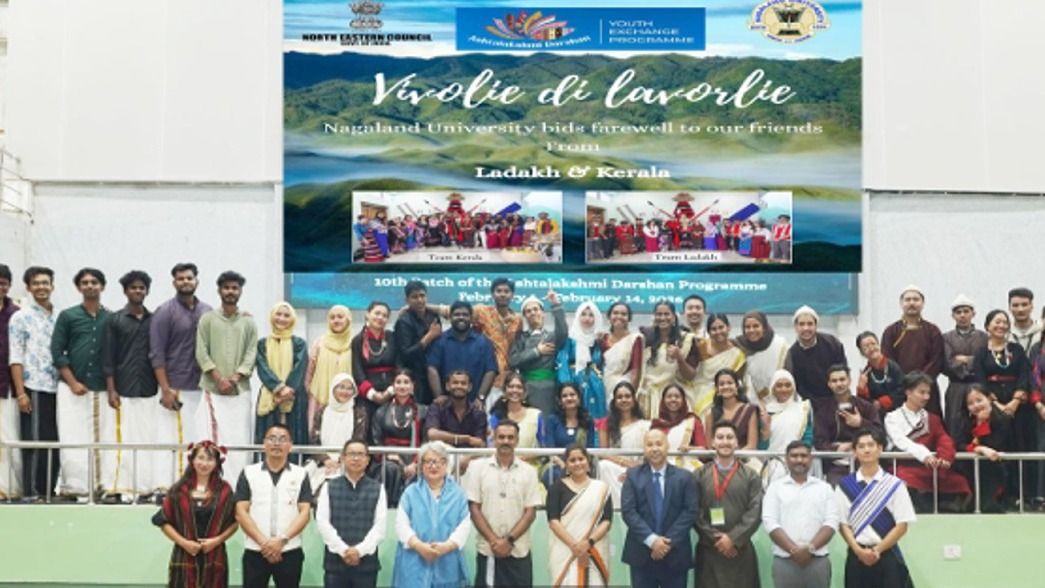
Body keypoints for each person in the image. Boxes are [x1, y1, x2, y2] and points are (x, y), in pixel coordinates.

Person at [51, 267, 112, 499]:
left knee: (102, 438)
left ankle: (102, 486)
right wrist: (73, 382)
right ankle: (75, 487)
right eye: (85, 282)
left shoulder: (111, 317)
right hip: (71, 390)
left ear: (102, 286)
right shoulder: (68, 316)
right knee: (72, 437)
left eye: (94, 282)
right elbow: (57, 352)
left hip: (101, 389)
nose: (90, 286)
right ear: (78, 287)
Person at [150, 262, 212, 487]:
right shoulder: (165, 312)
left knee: (195, 440)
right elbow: (156, 353)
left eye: (189, 278)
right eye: (181, 278)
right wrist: (165, 389)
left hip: (201, 388)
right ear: (174, 282)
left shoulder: (207, 311)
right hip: (175, 387)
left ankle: (191, 485)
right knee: (170, 440)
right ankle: (167, 487)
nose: (185, 282)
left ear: (197, 281)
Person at [101, 270, 160, 499]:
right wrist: (111, 389)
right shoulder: (114, 320)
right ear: (125, 291)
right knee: (122, 440)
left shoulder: (154, 320)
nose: (138, 291)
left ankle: (143, 487)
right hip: (123, 390)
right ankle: (120, 487)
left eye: (141, 287)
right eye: (133, 287)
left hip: (149, 390)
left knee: (146, 441)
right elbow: (108, 357)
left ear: (147, 291)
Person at [195, 270, 257, 483]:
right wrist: (218, 378)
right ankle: (214, 485)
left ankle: (238, 486)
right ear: (219, 290)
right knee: (211, 441)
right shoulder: (207, 320)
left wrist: (235, 378)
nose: (230, 291)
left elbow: (251, 352)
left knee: (240, 439)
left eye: (235, 288)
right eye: (227, 288)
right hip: (213, 390)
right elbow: (201, 351)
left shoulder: (248, 322)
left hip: (240, 392)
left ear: (240, 292)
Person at [466, 420, 543, 588]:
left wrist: (509, 540)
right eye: (501, 437)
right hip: (488, 550)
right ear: (493, 439)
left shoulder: (529, 472)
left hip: (519, 551)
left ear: (517, 440)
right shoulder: (477, 468)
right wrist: (494, 541)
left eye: (510, 437)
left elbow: (530, 513)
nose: (505, 441)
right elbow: (474, 509)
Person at [836, 428, 916, 588]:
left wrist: (877, 550)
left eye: (871, 445)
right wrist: (858, 551)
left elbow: (902, 525)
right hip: (856, 556)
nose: (866, 450)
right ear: (854, 452)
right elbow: (843, 524)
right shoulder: (844, 486)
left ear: (880, 449)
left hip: (887, 555)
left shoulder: (895, 485)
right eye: (861, 446)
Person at [235, 423, 313, 588]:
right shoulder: (249, 472)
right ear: (264, 443)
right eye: (272, 438)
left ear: (290, 445)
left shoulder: (301, 474)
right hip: (255, 550)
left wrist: (282, 540)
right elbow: (241, 511)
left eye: (282, 439)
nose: (276, 443)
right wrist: (264, 543)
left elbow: (305, 512)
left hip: (289, 550)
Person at [153, 440, 238, 588]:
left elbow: (235, 522)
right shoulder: (178, 490)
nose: (204, 463)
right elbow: (163, 521)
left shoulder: (225, 490)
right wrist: (184, 543)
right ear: (192, 460)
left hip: (215, 556)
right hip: (184, 555)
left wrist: (216, 541)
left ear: (217, 463)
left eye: (210, 459)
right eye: (200, 458)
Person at [884, 371, 972, 512]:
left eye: (928, 393)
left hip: (929, 467)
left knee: (958, 482)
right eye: (922, 392)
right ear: (908, 392)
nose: (926, 397)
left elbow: (944, 439)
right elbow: (901, 441)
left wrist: (945, 457)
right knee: (902, 480)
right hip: (903, 465)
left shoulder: (933, 419)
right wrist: (925, 455)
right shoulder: (892, 418)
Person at [620, 428, 697, 588]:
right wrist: (652, 540)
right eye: (649, 445)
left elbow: (690, 512)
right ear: (644, 449)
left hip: (675, 554)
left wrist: (666, 544)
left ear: (667, 446)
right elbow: (629, 512)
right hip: (642, 554)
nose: (654, 448)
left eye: (659, 444)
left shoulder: (685, 477)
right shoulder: (633, 476)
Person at [974, 308, 1034, 504]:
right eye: (996, 322)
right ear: (987, 326)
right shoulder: (981, 352)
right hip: (992, 404)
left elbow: (1025, 374)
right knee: (998, 446)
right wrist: (996, 404)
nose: (1001, 326)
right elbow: (979, 379)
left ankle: (1021, 495)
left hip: (1017, 403)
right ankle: (999, 494)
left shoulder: (1016, 349)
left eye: (1004, 322)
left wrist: (1015, 401)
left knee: (1019, 445)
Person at [9, 266, 59, 501]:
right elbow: (16, 357)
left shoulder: (59, 317)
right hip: (33, 387)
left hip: (58, 388)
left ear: (52, 286)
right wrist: (21, 393)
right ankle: (32, 491)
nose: (41, 287)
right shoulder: (20, 317)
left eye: (45, 283)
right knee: (35, 440)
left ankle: (49, 489)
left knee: (54, 441)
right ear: (28, 288)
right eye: (36, 283)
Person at [694, 421, 763, 588]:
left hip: (741, 549)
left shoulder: (751, 476)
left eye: (729, 437)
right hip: (709, 550)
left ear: (737, 442)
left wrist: (733, 538)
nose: (725, 441)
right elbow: (694, 511)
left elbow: (755, 511)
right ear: (713, 442)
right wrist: (717, 539)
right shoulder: (699, 475)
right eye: (720, 437)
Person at [393, 441, 471, 588]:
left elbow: (464, 526)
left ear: (446, 464)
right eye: (428, 461)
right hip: (415, 559)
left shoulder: (458, 494)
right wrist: (419, 546)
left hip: (447, 558)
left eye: (438, 461)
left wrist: (447, 546)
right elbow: (401, 525)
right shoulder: (411, 492)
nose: (433, 466)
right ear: (421, 466)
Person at [762, 441, 839, 588]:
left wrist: (810, 549)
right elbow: (770, 523)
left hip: (817, 561)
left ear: (810, 459)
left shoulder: (824, 488)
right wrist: (793, 550)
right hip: (785, 561)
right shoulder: (775, 488)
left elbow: (831, 522)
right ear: (786, 459)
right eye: (794, 456)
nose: (799, 460)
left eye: (803, 456)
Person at [315, 440, 387, 588]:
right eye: (351, 454)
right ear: (343, 458)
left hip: (366, 564)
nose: (356, 458)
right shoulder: (329, 486)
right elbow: (322, 522)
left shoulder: (377, 488)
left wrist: (359, 551)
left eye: (360, 454)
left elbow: (380, 527)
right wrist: (343, 550)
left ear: (367, 460)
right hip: (335, 564)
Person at [547, 444, 613, 587]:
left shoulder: (601, 489)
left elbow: (606, 521)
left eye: (581, 459)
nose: (577, 463)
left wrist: (588, 543)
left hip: (595, 549)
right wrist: (575, 547)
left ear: (588, 461)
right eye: (572, 460)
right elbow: (553, 521)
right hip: (565, 551)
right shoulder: (556, 488)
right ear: (566, 465)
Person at [880, 285, 945, 415]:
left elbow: (937, 359)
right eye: (908, 299)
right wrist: (905, 383)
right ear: (901, 303)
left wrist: (920, 382)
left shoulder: (932, 331)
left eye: (916, 299)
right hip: (901, 389)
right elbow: (887, 360)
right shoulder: (891, 331)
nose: (912, 303)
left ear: (922, 303)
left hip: (927, 388)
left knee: (931, 423)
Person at [813, 365, 883, 484]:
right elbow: (819, 441)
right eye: (834, 381)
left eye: (842, 379)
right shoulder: (823, 411)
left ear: (849, 380)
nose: (839, 384)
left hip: (866, 463)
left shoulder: (866, 406)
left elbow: (880, 435)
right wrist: (837, 448)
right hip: (837, 466)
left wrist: (861, 423)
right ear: (829, 384)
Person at [255, 302, 309, 449]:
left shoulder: (299, 344)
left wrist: (287, 390)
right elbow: (262, 368)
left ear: (292, 319)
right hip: (270, 395)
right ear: (272, 317)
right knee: (268, 436)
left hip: (294, 396)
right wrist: (278, 388)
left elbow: (300, 368)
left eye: (286, 315)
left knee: (294, 437)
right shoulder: (262, 344)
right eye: (278, 314)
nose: (282, 318)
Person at [371, 368, 426, 507]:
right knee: (390, 469)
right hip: (388, 458)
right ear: (393, 386)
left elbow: (426, 441)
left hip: (415, 458)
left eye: (406, 382)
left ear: (412, 386)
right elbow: (376, 441)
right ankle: (390, 510)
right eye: (398, 382)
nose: (402, 386)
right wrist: (388, 455)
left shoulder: (423, 411)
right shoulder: (381, 411)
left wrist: (416, 463)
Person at [426, 301, 497, 404]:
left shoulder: (483, 342)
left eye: (465, 315)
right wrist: (439, 396)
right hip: (446, 405)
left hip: (475, 405)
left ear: (471, 318)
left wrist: (480, 398)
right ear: (450, 317)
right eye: (457, 314)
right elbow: (432, 368)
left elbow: (490, 371)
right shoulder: (439, 341)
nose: (461, 317)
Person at [956, 385, 1013, 513]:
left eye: (979, 400)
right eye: (970, 403)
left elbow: (995, 445)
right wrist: (979, 448)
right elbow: (959, 444)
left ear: (989, 398)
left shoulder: (1003, 419)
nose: (976, 405)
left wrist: (982, 425)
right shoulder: (964, 420)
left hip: (996, 469)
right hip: (969, 468)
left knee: (988, 506)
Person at [637, 300, 698, 418]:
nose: (662, 318)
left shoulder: (686, 340)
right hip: (648, 398)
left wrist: (680, 358)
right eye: (659, 314)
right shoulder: (646, 338)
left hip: (673, 398)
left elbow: (690, 376)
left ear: (674, 317)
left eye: (666, 314)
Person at [310, 373, 368, 492]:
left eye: (349, 388)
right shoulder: (322, 411)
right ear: (333, 388)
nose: (345, 392)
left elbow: (358, 440)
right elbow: (314, 440)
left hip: (349, 463)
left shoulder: (359, 413)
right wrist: (326, 460)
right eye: (341, 387)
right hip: (322, 463)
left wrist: (341, 461)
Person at [471, 278, 523, 409]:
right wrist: (423, 306)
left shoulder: (517, 320)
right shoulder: (481, 312)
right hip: (484, 377)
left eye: (506, 291)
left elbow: (516, 350)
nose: (502, 294)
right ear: (492, 294)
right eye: (499, 291)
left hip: (506, 379)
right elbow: (450, 311)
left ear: (512, 295)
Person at [598, 382, 651, 507]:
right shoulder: (606, 424)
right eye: (619, 397)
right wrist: (625, 463)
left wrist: (636, 467)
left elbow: (649, 452)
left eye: (627, 396)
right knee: (603, 465)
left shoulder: (645, 425)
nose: (624, 400)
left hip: (639, 466)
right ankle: (615, 509)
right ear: (614, 401)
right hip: (615, 465)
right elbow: (603, 453)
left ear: (634, 400)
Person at [424, 370, 488, 475]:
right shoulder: (438, 407)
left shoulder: (478, 413)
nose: (459, 386)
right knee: (437, 445)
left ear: (469, 387)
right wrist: (466, 439)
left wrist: (467, 459)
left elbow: (481, 444)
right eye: (455, 383)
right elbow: (432, 434)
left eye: (463, 383)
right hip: (443, 457)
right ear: (447, 386)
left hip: (469, 460)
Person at [942, 294, 988, 438]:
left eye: (966, 311)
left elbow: (985, 361)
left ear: (973, 314)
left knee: (980, 420)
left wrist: (964, 360)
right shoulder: (946, 338)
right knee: (955, 424)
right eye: (958, 312)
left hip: (978, 385)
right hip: (956, 386)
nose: (962, 315)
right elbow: (947, 364)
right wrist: (972, 361)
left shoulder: (984, 337)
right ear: (953, 316)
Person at [785, 305, 847, 411]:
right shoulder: (792, 354)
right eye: (801, 324)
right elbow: (799, 386)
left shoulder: (832, 343)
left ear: (816, 325)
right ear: (795, 327)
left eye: (810, 324)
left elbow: (843, 372)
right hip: (812, 405)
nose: (806, 328)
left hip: (838, 398)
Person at [758, 370, 815, 484]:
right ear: (772, 388)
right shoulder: (766, 412)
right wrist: (766, 430)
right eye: (779, 386)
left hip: (798, 461)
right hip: (772, 463)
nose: (784, 389)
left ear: (793, 387)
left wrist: (798, 456)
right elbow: (761, 446)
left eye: (788, 385)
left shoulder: (802, 409)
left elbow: (808, 437)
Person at [305, 305, 352, 436]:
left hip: (346, 401)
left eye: (340, 317)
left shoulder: (353, 344)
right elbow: (309, 371)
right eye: (332, 317)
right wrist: (310, 392)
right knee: (318, 436)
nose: (336, 320)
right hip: (319, 399)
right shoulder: (319, 343)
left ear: (348, 319)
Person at [393, 280, 442, 405]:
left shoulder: (433, 316)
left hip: (434, 374)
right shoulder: (403, 322)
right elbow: (405, 354)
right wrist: (428, 337)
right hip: (415, 377)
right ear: (407, 300)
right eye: (414, 297)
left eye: (422, 295)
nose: (419, 300)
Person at [558, 300, 607, 420]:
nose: (587, 318)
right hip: (574, 381)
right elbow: (562, 360)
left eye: (591, 315)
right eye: (583, 314)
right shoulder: (570, 338)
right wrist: (566, 384)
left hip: (595, 384)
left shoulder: (598, 340)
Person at [541, 383, 596, 486]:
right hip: (557, 464)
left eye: (572, 395)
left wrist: (578, 464)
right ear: (560, 400)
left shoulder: (587, 421)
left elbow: (590, 447)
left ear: (579, 398)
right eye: (565, 396)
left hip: (581, 463)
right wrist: (565, 466)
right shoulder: (552, 420)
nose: (569, 398)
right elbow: (550, 449)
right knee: (556, 475)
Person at [351, 301, 397, 424]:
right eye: (377, 313)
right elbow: (357, 371)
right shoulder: (358, 340)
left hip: (392, 391)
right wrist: (373, 395)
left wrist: (390, 391)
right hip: (368, 394)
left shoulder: (392, 337)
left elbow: (399, 365)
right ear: (367, 314)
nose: (380, 318)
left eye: (384, 315)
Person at [691, 314, 746, 417]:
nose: (718, 332)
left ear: (728, 328)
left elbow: (737, 383)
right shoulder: (701, 346)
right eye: (714, 329)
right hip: (696, 393)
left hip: (723, 397)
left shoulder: (738, 355)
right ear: (708, 332)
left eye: (721, 327)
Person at [734, 310, 788, 404]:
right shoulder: (739, 346)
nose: (751, 330)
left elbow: (788, 374)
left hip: (780, 399)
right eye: (747, 327)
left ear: (764, 328)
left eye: (756, 326)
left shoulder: (779, 345)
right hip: (749, 402)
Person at [650, 384, 707, 471]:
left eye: (677, 397)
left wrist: (689, 449)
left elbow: (703, 450)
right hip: (661, 468)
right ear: (663, 400)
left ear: (683, 400)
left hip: (687, 468)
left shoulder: (692, 421)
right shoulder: (656, 425)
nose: (673, 399)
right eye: (669, 397)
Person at [487, 371, 542, 459]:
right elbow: (491, 445)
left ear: (524, 392)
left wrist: (523, 459)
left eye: (519, 387)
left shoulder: (536, 415)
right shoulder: (496, 416)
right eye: (511, 387)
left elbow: (543, 446)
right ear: (504, 390)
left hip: (530, 464)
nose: (515, 390)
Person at [0, 264, 20, 499]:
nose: (0, 287)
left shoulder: (16, 313)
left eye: (3, 283)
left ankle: (8, 488)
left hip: (7, 387)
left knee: (8, 437)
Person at [598, 301, 644, 402]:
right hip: (602, 388)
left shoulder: (635, 339)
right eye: (615, 313)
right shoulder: (602, 339)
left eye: (623, 314)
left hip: (624, 390)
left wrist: (630, 397)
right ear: (609, 316)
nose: (619, 316)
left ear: (629, 318)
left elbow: (636, 372)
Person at [705, 368, 759, 452]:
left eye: (730, 383)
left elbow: (751, 445)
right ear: (717, 389)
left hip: (744, 457)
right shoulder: (711, 413)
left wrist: (732, 456)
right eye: (722, 384)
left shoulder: (749, 410)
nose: (726, 387)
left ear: (736, 386)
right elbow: (709, 446)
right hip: (718, 457)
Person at [855, 332, 905, 414]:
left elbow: (903, 390)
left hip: (898, 412)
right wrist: (861, 388)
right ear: (861, 352)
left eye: (873, 344)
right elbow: (863, 403)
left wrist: (882, 402)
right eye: (866, 346)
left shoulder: (893, 367)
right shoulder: (866, 373)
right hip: (877, 415)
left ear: (879, 345)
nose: (871, 348)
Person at [1007, 287, 1040, 352]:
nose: (1020, 309)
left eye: (1024, 305)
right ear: (1009, 308)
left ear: (1031, 306)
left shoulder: (1041, 332)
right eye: (1015, 305)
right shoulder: (1004, 335)